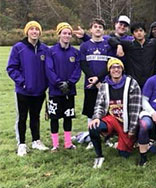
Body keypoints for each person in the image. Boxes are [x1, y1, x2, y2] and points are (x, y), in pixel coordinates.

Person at [88, 58, 141, 168]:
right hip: (112, 120)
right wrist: (96, 117)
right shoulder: (104, 86)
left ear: (122, 69)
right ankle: (99, 155)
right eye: (113, 67)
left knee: (124, 154)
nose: (116, 69)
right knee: (93, 127)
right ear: (109, 70)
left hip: (126, 122)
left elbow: (135, 109)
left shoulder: (132, 84)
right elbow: (99, 105)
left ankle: (131, 140)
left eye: (118, 67)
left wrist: (132, 129)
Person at [7, 21, 49, 156]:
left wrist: (45, 84)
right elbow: (11, 68)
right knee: (22, 117)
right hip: (23, 90)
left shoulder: (45, 49)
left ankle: (36, 140)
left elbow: (49, 68)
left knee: (35, 117)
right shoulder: (18, 48)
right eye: (32, 29)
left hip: (39, 91)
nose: (34, 31)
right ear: (27, 32)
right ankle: (22, 144)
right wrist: (22, 82)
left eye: (37, 29)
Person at [45, 22, 81, 151]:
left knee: (68, 117)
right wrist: (58, 82)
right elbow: (49, 69)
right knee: (54, 118)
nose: (67, 35)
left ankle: (68, 143)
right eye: (64, 33)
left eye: (69, 33)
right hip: (55, 91)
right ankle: (55, 144)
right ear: (59, 34)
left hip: (69, 91)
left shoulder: (75, 52)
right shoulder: (51, 51)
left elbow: (77, 70)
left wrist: (70, 83)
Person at [80, 18, 114, 137]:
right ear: (91, 30)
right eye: (95, 26)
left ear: (103, 30)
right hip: (90, 84)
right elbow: (83, 64)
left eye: (100, 27)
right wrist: (93, 79)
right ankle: (92, 137)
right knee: (91, 111)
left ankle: (106, 137)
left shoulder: (108, 45)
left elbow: (110, 65)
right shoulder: (85, 46)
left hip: (104, 84)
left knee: (105, 111)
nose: (98, 29)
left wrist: (99, 79)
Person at [109, 22, 156, 88]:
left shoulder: (153, 44)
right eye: (136, 31)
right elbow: (111, 39)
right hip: (134, 83)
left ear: (145, 32)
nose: (139, 33)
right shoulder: (129, 45)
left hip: (150, 82)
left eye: (141, 30)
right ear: (133, 34)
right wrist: (118, 45)